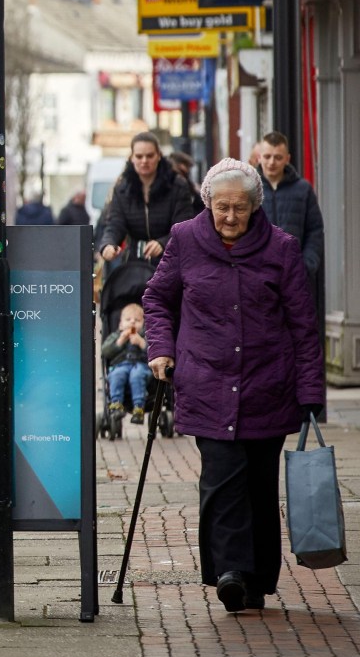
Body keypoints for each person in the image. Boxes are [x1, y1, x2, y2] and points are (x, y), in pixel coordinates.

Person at [142, 158, 324, 614]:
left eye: (239, 208)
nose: (229, 217)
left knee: (261, 487)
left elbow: (304, 325)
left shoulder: (281, 248)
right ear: (207, 203)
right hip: (206, 381)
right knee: (222, 480)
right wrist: (160, 349)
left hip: (268, 384)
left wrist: (310, 394)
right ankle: (231, 573)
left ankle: (259, 577)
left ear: (255, 206)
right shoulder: (184, 240)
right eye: (221, 207)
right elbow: (157, 298)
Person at [98, 132, 200, 265]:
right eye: (139, 156)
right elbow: (116, 224)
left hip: (171, 261)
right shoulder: (122, 188)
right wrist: (108, 244)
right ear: (131, 158)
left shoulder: (177, 185)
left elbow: (184, 225)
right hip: (134, 263)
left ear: (159, 156)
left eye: (150, 156)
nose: (144, 161)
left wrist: (163, 243)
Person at [253, 132, 324, 304]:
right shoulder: (249, 189)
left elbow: (315, 231)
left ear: (287, 158)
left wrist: (306, 265)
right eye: (267, 156)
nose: (271, 162)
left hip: (295, 278)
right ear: (259, 157)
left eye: (278, 157)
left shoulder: (303, 190)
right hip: (257, 277)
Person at [101, 301, 152, 424]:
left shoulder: (146, 336)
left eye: (137, 320)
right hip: (121, 365)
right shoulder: (116, 336)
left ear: (144, 324)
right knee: (116, 374)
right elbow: (105, 352)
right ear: (120, 324)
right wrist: (120, 341)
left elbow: (154, 352)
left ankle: (138, 407)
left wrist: (141, 343)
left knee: (137, 374)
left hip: (141, 366)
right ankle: (116, 404)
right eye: (128, 319)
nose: (132, 322)